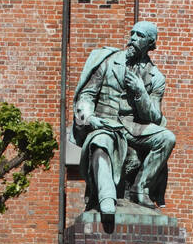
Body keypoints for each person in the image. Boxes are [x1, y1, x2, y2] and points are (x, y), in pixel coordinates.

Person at [72, 21, 176, 224]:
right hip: (105, 122)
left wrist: (140, 92)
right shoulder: (108, 62)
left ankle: (141, 187)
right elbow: (86, 95)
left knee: (167, 138)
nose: (133, 39)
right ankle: (106, 197)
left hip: (134, 127)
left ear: (150, 43)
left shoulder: (156, 78)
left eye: (140, 36)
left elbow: (155, 117)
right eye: (133, 34)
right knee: (101, 142)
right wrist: (90, 118)